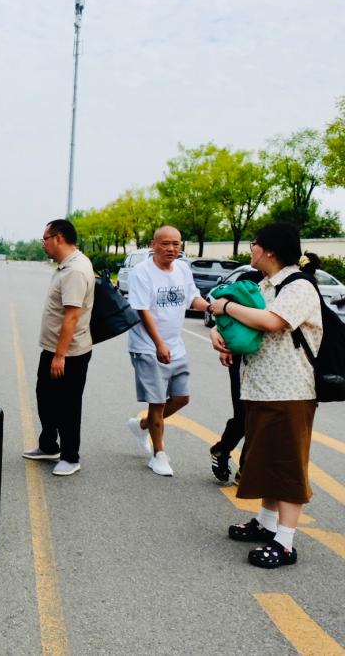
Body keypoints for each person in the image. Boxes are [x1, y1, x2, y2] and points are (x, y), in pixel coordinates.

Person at [210, 223, 323, 569]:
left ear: (270, 250)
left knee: (286, 464)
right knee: (266, 460)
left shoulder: (299, 286)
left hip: (291, 391)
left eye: (255, 244)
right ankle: (266, 523)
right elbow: (249, 323)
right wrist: (220, 334)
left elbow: (272, 322)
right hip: (260, 387)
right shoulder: (265, 285)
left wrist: (226, 308)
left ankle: (285, 542)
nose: (252, 250)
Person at [124, 225, 208, 477]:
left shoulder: (183, 268)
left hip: (175, 345)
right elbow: (142, 310)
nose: (171, 249)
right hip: (148, 346)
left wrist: (213, 308)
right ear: (153, 244)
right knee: (158, 402)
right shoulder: (141, 272)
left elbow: (193, 298)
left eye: (176, 244)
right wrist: (159, 343)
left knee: (182, 398)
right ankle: (158, 454)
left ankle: (142, 425)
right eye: (165, 244)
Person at [21, 219, 95, 476]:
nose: (43, 244)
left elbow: (72, 316)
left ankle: (70, 457)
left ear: (59, 238)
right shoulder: (67, 265)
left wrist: (60, 356)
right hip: (55, 349)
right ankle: (48, 445)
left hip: (69, 353)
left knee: (68, 404)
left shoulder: (75, 270)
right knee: (45, 397)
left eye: (45, 238)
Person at [208, 269, 263, 483]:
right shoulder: (249, 279)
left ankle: (246, 468)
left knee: (259, 417)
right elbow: (227, 317)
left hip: (272, 363)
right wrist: (220, 335)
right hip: (243, 357)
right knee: (244, 415)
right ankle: (222, 450)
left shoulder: (289, 284)